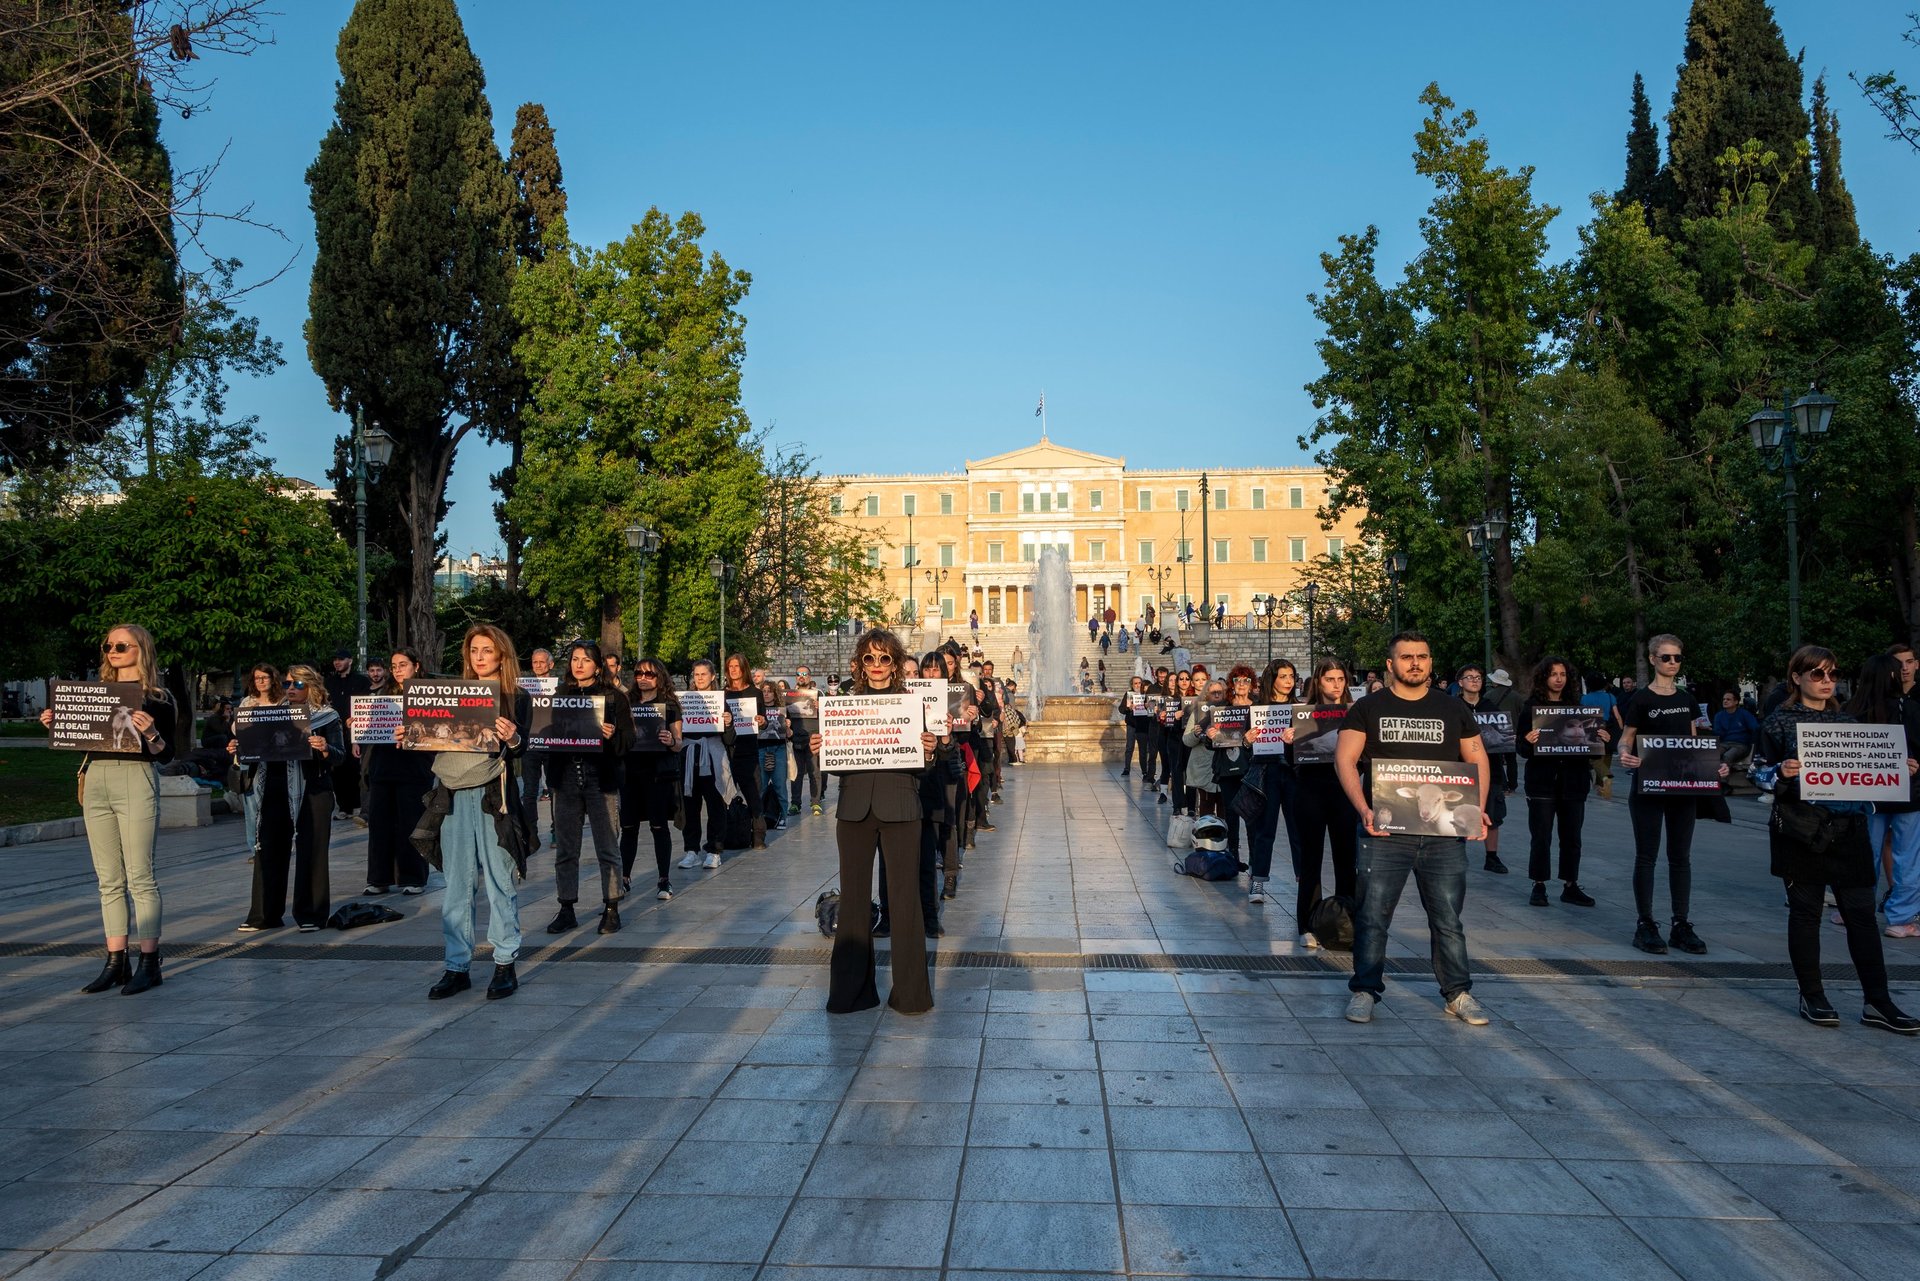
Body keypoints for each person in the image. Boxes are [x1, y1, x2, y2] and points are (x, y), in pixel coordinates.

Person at [1757, 645, 1920, 1033]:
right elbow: (1758, 773)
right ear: (1797, 677)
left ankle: (1877, 1001)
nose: (1827, 681)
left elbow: (1866, 778)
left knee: (1862, 916)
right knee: (1806, 914)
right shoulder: (1778, 722)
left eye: (1831, 674)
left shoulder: (1849, 722)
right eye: (1817, 674)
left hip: (1849, 830)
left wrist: (1899, 771)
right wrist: (1781, 772)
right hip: (1801, 829)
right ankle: (1812, 995)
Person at [1337, 631, 1493, 1027]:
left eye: (1422, 656)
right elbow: (1345, 759)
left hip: (1443, 836)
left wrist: (1477, 809)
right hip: (1385, 833)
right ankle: (1365, 990)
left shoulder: (1452, 708)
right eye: (1406, 657)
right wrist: (1363, 809)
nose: (1415, 663)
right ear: (1390, 664)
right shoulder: (1367, 708)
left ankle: (1457, 993)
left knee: (1448, 919)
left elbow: (1477, 758)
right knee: (1373, 915)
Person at [44, 623, 176, 995]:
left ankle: (150, 962)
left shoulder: (158, 697)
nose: (112, 651)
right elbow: (82, 735)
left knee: (140, 876)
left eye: (121, 645)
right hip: (97, 777)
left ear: (141, 649)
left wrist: (151, 733)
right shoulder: (93, 693)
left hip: (136, 777)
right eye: (107, 646)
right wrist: (57, 724)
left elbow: (167, 754)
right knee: (108, 880)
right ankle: (116, 960)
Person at [812, 628, 938, 1014]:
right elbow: (837, 767)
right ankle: (851, 993)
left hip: (902, 809)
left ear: (896, 664)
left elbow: (923, 769)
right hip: (853, 811)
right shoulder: (843, 706)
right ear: (860, 665)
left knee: (904, 902)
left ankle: (911, 994)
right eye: (870, 658)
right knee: (852, 902)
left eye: (885, 658)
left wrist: (930, 751)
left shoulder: (911, 704)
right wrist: (822, 749)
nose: (878, 665)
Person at [419, 623, 531, 1001]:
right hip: (450, 794)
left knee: (500, 880)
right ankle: (457, 966)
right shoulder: (451, 695)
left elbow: (521, 748)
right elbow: (431, 737)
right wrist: (411, 736)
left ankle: (504, 962)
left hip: (490, 795)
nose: (479, 657)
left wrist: (512, 736)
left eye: (486, 650)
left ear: (501, 654)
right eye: (473, 651)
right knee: (457, 884)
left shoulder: (517, 696)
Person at [1617, 633, 1727, 955]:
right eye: (1666, 657)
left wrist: (1713, 767)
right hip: (1649, 786)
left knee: (1681, 857)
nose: (1672, 663)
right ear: (1652, 659)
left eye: (1677, 657)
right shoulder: (1640, 699)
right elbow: (1626, 738)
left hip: (1683, 787)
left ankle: (1681, 923)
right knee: (1647, 855)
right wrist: (1625, 753)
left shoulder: (1687, 700)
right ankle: (1646, 923)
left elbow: (1694, 744)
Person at [544, 640, 633, 936]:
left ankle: (611, 907)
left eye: (585, 659)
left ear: (597, 665)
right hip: (566, 778)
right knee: (566, 848)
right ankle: (566, 907)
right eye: (574, 659)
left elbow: (628, 740)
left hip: (600, 777)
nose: (578, 664)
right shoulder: (560, 695)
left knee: (607, 844)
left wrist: (612, 734)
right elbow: (546, 734)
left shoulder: (613, 698)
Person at [1282, 658, 1356, 949]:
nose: (1336, 685)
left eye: (1340, 679)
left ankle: (1347, 922)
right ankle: (1307, 924)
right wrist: (1288, 742)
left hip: (1344, 791)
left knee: (1346, 861)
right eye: (1330, 680)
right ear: (1319, 682)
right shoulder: (1302, 714)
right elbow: (1292, 762)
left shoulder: (1354, 713)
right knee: (1310, 861)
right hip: (1310, 790)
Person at [1846, 654, 1920, 938]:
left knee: (1867, 853)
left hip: (1867, 795)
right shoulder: (1908, 708)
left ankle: (1853, 909)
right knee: (1907, 857)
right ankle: (1901, 917)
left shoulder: (1852, 710)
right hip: (1908, 794)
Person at [1519, 656, 1601, 908]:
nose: (1558, 679)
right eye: (1553, 674)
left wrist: (1602, 739)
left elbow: (1593, 747)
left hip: (1574, 782)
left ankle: (1570, 884)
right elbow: (1521, 748)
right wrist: (1529, 742)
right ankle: (1539, 884)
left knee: (1572, 837)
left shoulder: (1576, 706)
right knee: (1541, 836)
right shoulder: (1531, 706)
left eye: (1562, 674)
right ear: (1543, 677)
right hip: (1542, 782)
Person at [362, 647, 432, 896]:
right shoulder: (382, 695)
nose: (398, 669)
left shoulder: (428, 695)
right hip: (383, 767)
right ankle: (379, 878)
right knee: (379, 825)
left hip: (415, 768)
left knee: (411, 824)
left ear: (416, 666)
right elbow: (369, 725)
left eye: (403, 664)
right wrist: (357, 725)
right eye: (394, 665)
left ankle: (413, 877)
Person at [620, 658, 685, 901]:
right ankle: (624, 879)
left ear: (660, 677)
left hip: (659, 773)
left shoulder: (669, 705)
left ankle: (664, 880)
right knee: (628, 827)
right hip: (630, 772)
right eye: (639, 673)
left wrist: (671, 741)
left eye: (649, 673)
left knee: (659, 826)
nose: (643, 677)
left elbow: (679, 743)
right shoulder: (626, 702)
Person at [1247, 659, 1301, 907]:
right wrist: (1247, 740)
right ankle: (1257, 880)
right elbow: (1246, 746)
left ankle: (1304, 878)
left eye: (1291, 676)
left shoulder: (1300, 710)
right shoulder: (1257, 708)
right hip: (1266, 772)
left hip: (1292, 774)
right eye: (1283, 676)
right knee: (1265, 829)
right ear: (1273, 679)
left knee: (1298, 829)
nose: (1288, 681)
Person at [679, 659, 738, 868]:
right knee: (690, 806)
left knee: (715, 803)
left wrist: (729, 723)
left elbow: (730, 739)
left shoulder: (721, 701)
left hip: (712, 757)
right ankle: (691, 850)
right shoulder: (684, 700)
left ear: (713, 676)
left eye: (704, 674)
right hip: (689, 757)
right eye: (697, 674)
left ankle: (714, 849)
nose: (700, 678)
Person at [1454, 664, 1511, 874]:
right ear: (1460, 682)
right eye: (1469, 677)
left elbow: (1503, 737)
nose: (1474, 680)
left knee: (1494, 814)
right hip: (1460, 769)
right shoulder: (1453, 707)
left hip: (1492, 768)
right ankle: (1456, 853)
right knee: (1458, 812)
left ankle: (1492, 856)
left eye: (1478, 677)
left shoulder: (1491, 707)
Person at [722, 653, 769, 850]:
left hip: (748, 747)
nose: (733, 670)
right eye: (730, 666)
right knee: (723, 795)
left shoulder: (755, 693)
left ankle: (758, 835)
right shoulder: (722, 693)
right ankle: (724, 835)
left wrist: (761, 721)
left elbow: (764, 721)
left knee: (752, 794)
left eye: (736, 666)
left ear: (744, 668)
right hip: (726, 749)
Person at [322, 648, 371, 818]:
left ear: (350, 661)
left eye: (341, 659)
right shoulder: (328, 682)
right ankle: (344, 807)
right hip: (335, 731)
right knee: (338, 769)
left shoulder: (362, 681)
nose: (337, 662)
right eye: (335, 659)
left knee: (355, 768)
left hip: (356, 731)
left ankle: (357, 804)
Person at [521, 647, 555, 852]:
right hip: (530, 744)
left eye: (542, 662)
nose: (538, 665)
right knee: (529, 791)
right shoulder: (523, 688)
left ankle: (556, 830)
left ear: (550, 664)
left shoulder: (558, 687)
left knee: (554, 790)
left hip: (552, 745)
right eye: (535, 662)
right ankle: (531, 833)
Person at [757, 678, 792, 828]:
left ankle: (783, 816)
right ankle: (758, 818)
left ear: (774, 693)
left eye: (769, 691)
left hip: (779, 749)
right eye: (763, 691)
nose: (766, 694)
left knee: (780, 785)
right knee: (761, 786)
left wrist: (788, 726)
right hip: (760, 748)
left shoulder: (783, 710)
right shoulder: (757, 710)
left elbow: (790, 734)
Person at [789, 666, 824, 816]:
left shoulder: (819, 694)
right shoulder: (789, 694)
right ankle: (795, 803)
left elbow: (830, 713)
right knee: (795, 773)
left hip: (813, 739)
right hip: (796, 737)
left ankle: (815, 802)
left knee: (814, 772)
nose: (801, 676)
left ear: (810, 676)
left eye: (804, 674)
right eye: (799, 674)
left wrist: (821, 707)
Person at [1582, 671, 1621, 799]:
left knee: (1594, 758)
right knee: (1607, 756)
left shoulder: (1584, 698)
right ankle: (1601, 786)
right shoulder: (1610, 697)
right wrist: (1620, 730)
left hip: (1591, 727)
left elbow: (1581, 715)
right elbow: (1617, 716)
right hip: (1607, 728)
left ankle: (1605, 777)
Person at [1712, 691, 1760, 769]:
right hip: (1724, 743)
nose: (1725, 701)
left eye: (1728, 699)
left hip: (1741, 745)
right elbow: (1717, 732)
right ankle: (1710, 777)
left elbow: (1755, 727)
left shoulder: (1744, 714)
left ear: (1736, 701)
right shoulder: (1719, 716)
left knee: (1727, 756)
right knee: (1712, 754)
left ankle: (1722, 779)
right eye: (1724, 699)